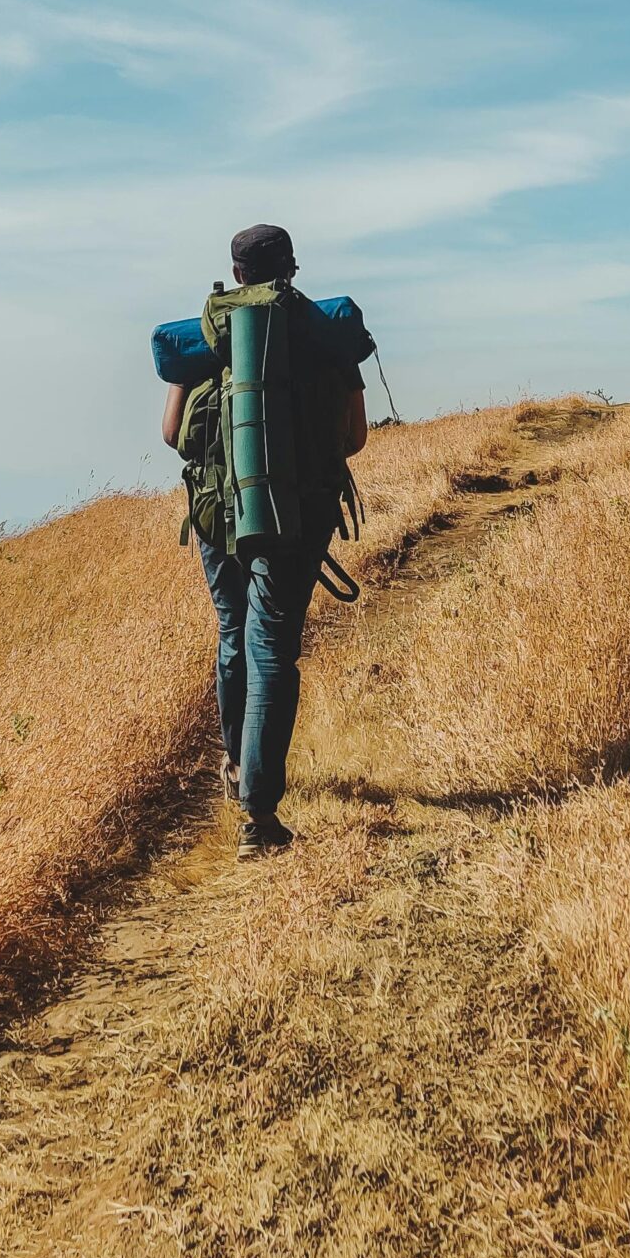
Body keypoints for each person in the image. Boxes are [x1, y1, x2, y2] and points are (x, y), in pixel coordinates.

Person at [161, 223, 369, 859]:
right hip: (294, 520)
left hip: (218, 516)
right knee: (272, 649)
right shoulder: (325, 336)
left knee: (232, 638)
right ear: (293, 268)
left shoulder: (209, 336)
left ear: (236, 272)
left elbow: (172, 434)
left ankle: (234, 770)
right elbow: (356, 436)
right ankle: (259, 815)